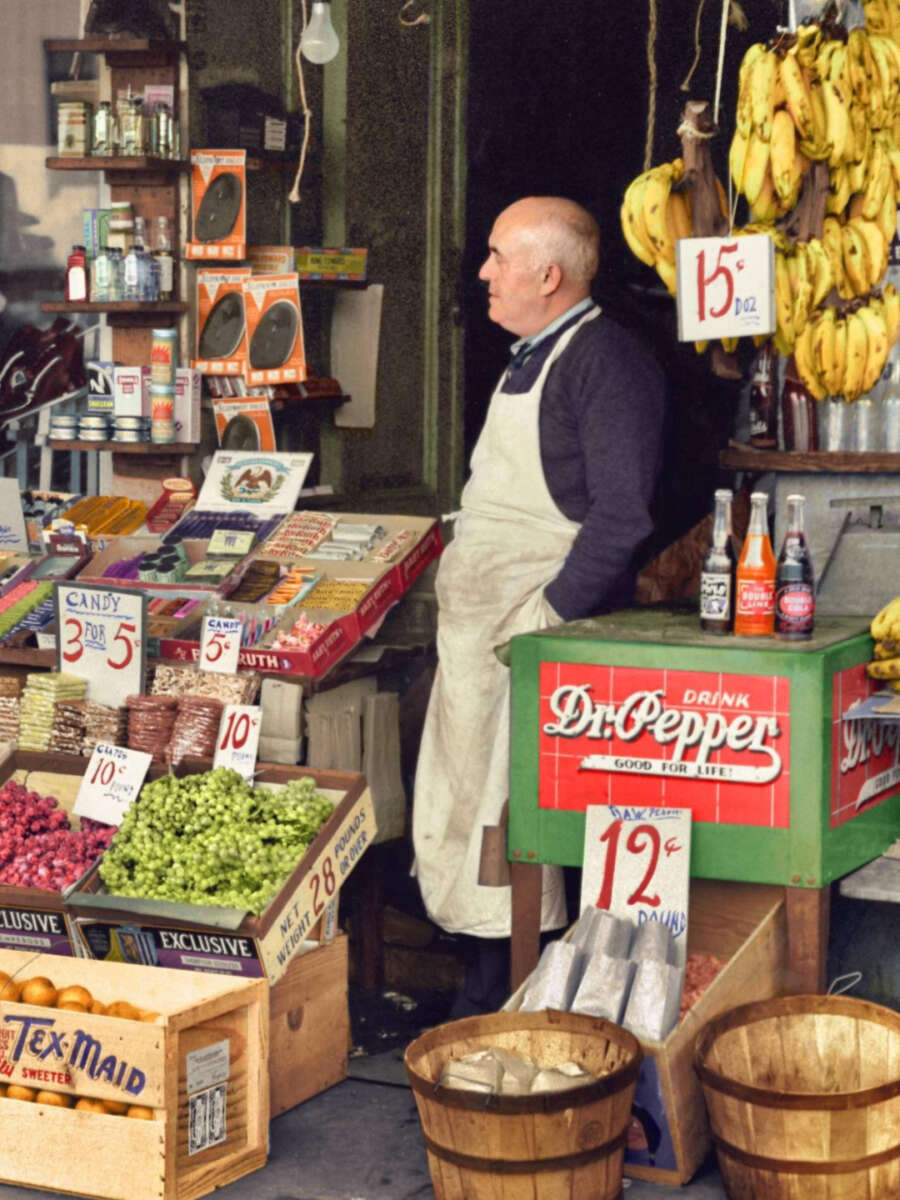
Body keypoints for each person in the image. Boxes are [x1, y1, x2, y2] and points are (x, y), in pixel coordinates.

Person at [412, 195, 667, 1014]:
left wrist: (547, 618)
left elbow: (622, 517)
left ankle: (509, 1005)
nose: (483, 272)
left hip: (534, 639)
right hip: (483, 642)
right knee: (472, 812)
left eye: (497, 256)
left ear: (548, 275)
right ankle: (484, 990)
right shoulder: (530, 356)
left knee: (516, 824)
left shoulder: (603, 363)